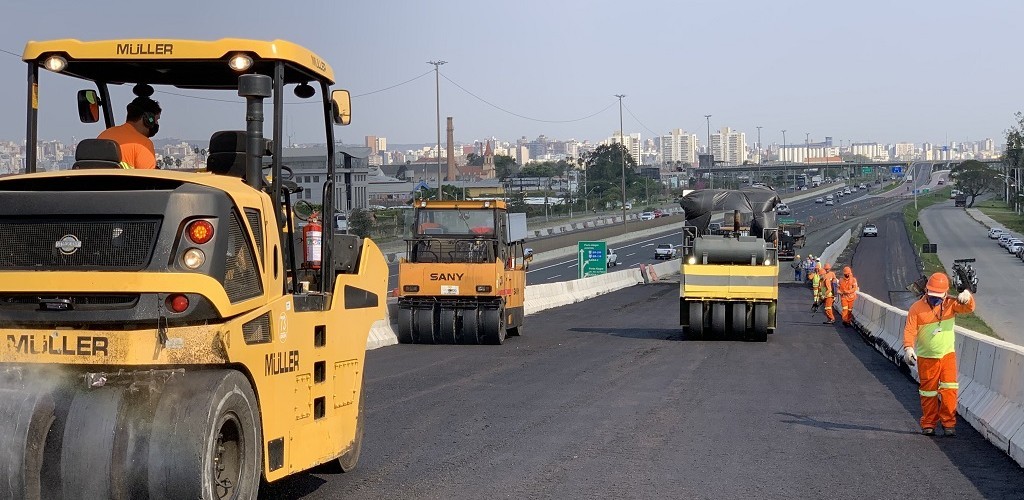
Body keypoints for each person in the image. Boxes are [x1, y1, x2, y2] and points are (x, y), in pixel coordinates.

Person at [903, 272, 975, 437]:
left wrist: (967, 295)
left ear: (945, 293)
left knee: (950, 390)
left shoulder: (951, 304)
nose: (935, 299)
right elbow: (909, 330)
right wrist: (908, 348)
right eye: (932, 295)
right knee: (928, 392)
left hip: (947, 356)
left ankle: (949, 424)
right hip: (927, 358)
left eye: (938, 296)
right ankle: (929, 424)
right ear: (926, 291)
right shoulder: (916, 308)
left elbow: (969, 308)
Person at [97, 96, 161, 169]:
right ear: (148, 119)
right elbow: (149, 178)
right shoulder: (143, 144)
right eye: (156, 120)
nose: (157, 124)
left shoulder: (104, 134)